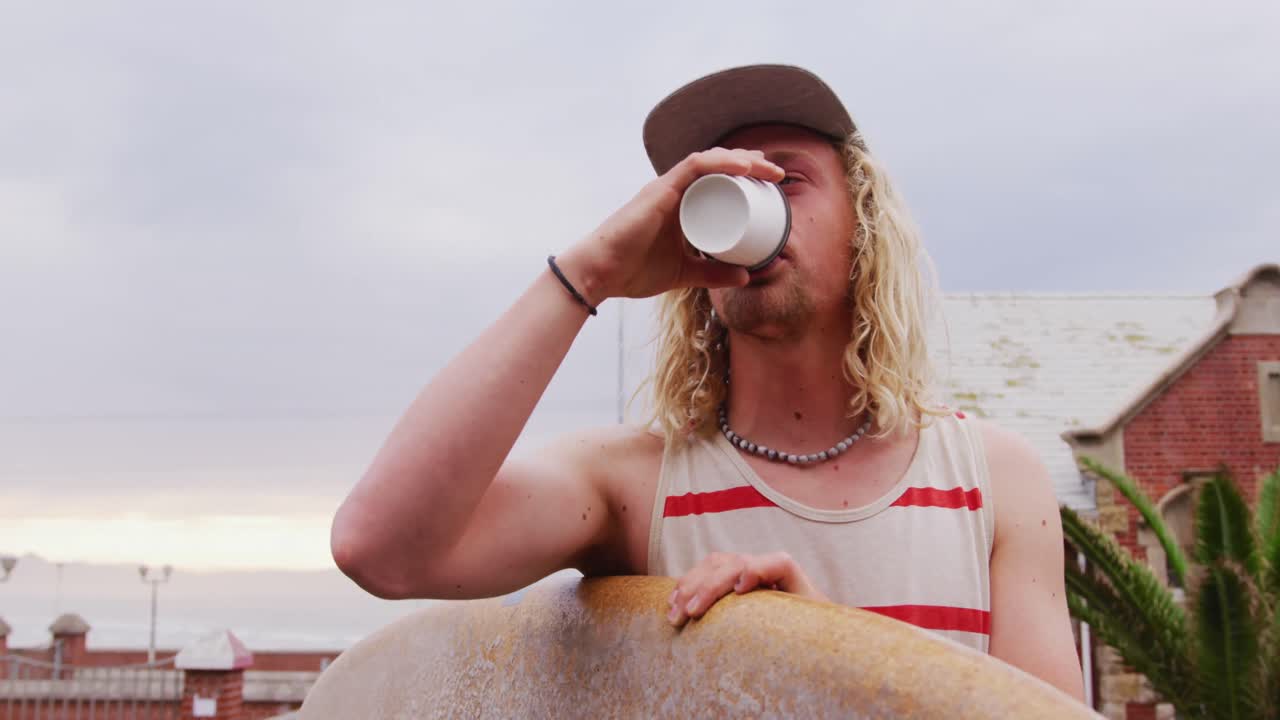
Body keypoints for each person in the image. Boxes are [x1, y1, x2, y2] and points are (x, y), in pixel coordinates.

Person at [331, 64, 1085, 700]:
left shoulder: (991, 478)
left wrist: (821, 655)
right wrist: (589, 275)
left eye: (786, 179)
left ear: (863, 225)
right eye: (720, 186)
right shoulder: (633, 484)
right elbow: (381, 549)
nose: (749, 200)